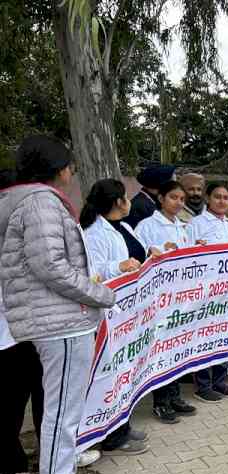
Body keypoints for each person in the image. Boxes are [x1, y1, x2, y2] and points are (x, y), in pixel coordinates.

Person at [0, 136, 115, 474]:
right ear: (57, 168)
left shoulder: (28, 201)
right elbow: (50, 265)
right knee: (62, 410)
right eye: (69, 163)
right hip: (61, 321)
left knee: (60, 407)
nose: (71, 171)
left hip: (57, 318)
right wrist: (97, 293)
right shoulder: (40, 204)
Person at [81, 179, 153, 455]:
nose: (129, 202)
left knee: (125, 371)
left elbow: (139, 255)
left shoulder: (122, 227)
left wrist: (153, 254)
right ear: (116, 202)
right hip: (108, 312)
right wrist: (117, 266)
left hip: (129, 311)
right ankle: (111, 435)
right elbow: (92, 272)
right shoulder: (93, 233)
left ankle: (122, 423)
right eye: (125, 197)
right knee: (109, 374)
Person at [135, 181, 200, 423]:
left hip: (182, 297)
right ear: (161, 198)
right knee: (161, 349)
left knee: (177, 348)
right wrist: (160, 249)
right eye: (173, 197)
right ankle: (160, 402)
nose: (179, 202)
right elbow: (141, 257)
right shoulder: (146, 226)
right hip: (160, 299)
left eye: (182, 199)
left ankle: (175, 396)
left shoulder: (183, 226)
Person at [0, 169, 44, 474]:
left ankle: (52, 455)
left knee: (44, 392)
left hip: (34, 329)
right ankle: (7, 469)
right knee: (9, 403)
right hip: (5, 335)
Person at [187, 183, 228, 399]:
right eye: (217, 197)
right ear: (208, 199)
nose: (222, 201)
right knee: (203, 336)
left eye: (226, 198)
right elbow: (188, 255)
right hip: (206, 292)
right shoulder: (196, 224)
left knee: (224, 334)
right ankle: (203, 385)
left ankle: (220, 381)